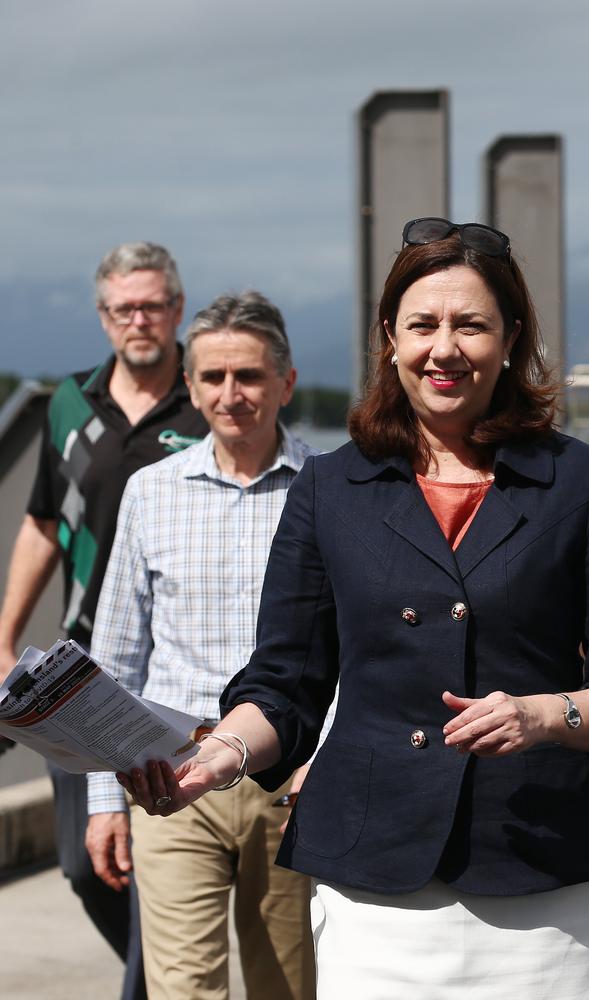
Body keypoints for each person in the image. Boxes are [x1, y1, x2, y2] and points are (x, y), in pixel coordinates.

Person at [122, 219, 589, 1000]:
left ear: (510, 337)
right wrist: (219, 756)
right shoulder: (329, 488)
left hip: (541, 866)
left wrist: (545, 716)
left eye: (471, 324)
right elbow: (284, 683)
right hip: (370, 872)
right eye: (423, 325)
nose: (445, 348)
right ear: (389, 338)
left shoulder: (588, 485)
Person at [86, 292, 318, 1000]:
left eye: (247, 376)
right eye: (212, 378)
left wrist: (330, 758)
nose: (230, 395)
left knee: (288, 986)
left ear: (286, 382)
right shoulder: (150, 492)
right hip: (168, 779)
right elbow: (116, 655)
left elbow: (360, 648)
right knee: (183, 989)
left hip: (291, 785)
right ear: (189, 386)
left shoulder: (331, 491)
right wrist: (104, 799)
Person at [0, 242, 207, 1000]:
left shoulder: (207, 393)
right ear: (103, 316)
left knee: (164, 854)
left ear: (177, 309)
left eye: (153, 304)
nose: (139, 320)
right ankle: (168, 974)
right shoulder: (68, 403)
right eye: (124, 308)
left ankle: (162, 982)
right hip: (79, 673)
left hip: (177, 673)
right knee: (88, 866)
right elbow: (42, 523)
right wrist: (3, 634)